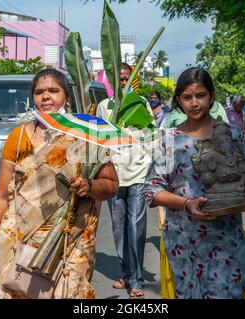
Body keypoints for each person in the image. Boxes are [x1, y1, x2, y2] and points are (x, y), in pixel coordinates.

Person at [0, 69, 119, 299]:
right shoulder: (18, 137)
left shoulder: (87, 134)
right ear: (32, 97)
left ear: (66, 97)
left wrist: (88, 187)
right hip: (21, 243)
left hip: (71, 242)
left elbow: (111, 185)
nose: (46, 96)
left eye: (53, 90)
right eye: (39, 92)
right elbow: (1, 196)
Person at [144, 67, 245, 299]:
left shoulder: (231, 134)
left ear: (211, 96)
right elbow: (152, 190)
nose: (194, 103)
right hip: (184, 243)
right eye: (187, 97)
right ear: (178, 100)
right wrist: (187, 203)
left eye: (200, 95)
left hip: (227, 240)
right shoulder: (168, 141)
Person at [96, 63, 153, 298]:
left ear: (133, 80)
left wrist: (149, 162)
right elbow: (98, 139)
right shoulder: (104, 106)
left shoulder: (141, 103)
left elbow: (149, 135)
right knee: (118, 227)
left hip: (138, 172)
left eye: (126, 78)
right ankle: (127, 273)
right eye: (118, 79)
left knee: (136, 226)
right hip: (114, 174)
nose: (123, 83)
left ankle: (138, 278)